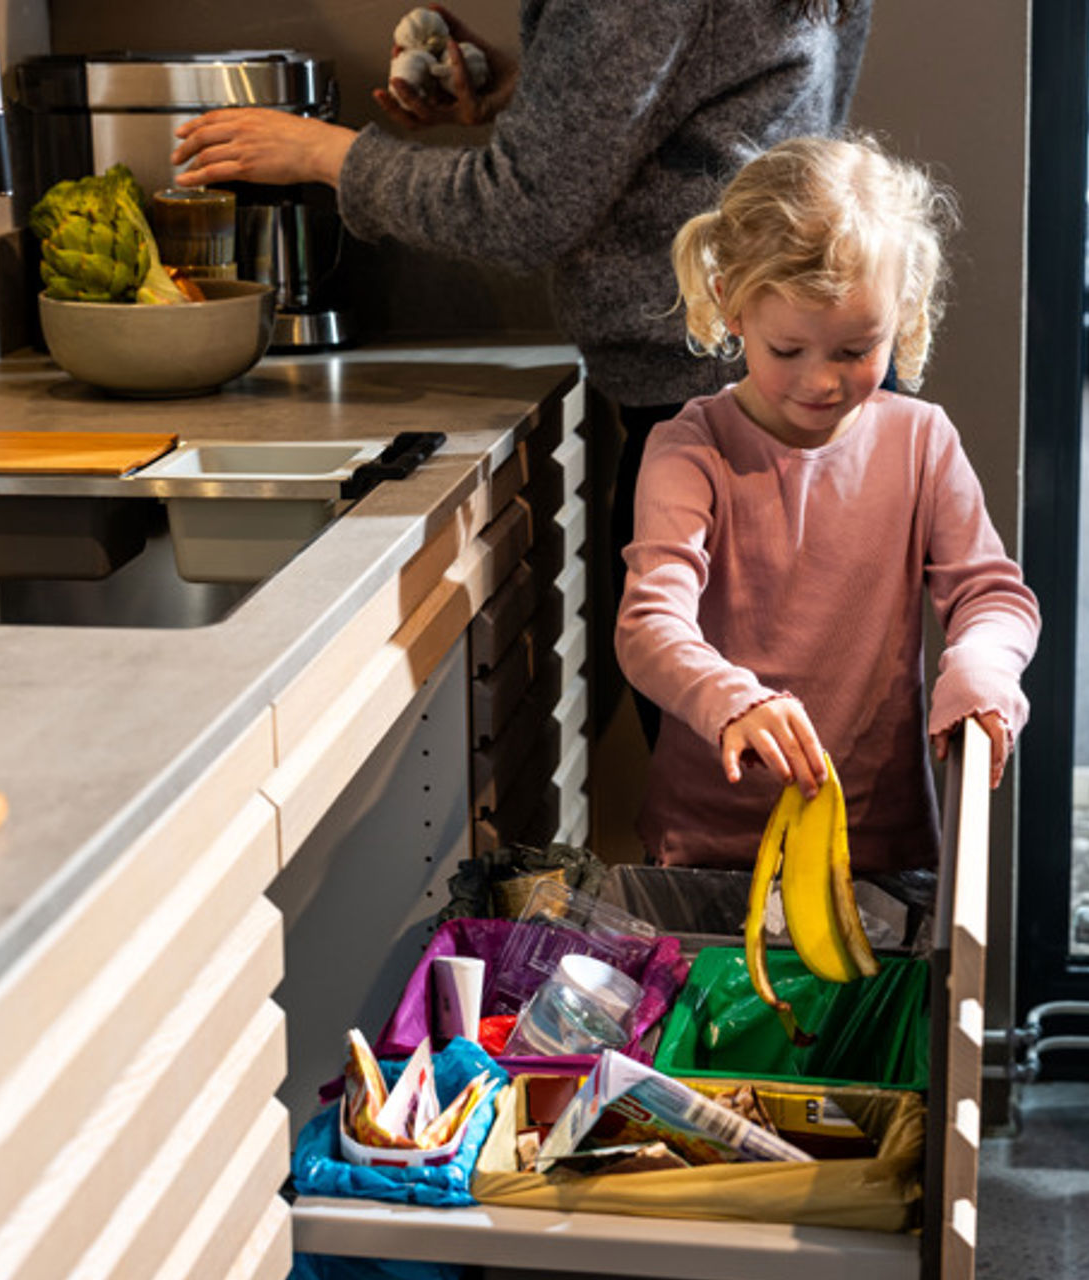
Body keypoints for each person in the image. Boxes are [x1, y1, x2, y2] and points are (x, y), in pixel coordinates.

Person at [169, 2, 876, 738]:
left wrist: (326, 156)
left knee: (739, 770)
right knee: (819, 758)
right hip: (792, 393)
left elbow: (526, 211)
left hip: (722, 424)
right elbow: (753, 99)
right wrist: (547, 100)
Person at [614, 135, 1040, 876]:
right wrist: (732, 700)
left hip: (879, 847)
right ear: (731, 304)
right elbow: (649, 627)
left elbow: (991, 594)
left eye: (855, 351)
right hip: (709, 852)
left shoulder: (922, 442)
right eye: (788, 350)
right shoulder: (689, 450)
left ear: (903, 313)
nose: (821, 381)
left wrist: (982, 665)